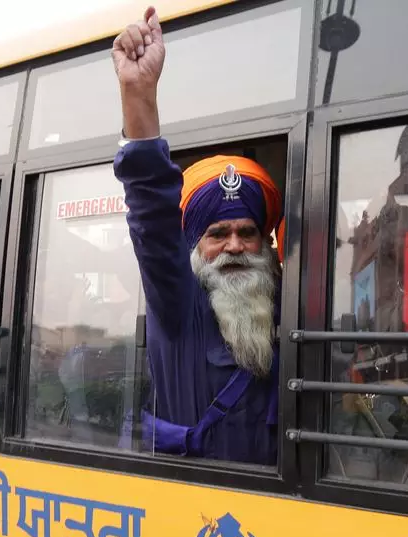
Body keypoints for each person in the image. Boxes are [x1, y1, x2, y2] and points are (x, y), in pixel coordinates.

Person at [112, 7, 284, 464]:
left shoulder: (282, 305)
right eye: (218, 233)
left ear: (264, 242)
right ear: (195, 245)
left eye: (247, 232)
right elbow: (152, 215)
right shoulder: (178, 304)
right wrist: (138, 93)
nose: (233, 246)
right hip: (194, 514)